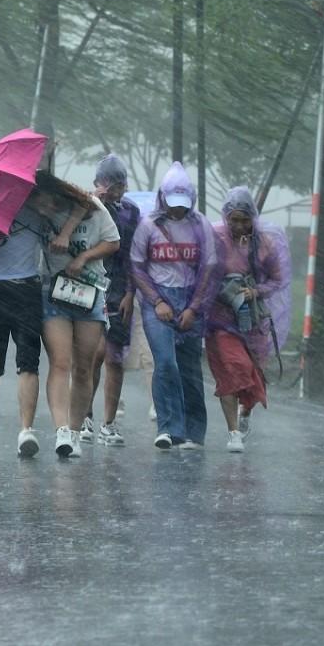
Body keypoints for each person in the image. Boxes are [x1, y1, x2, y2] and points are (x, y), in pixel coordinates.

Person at [130, 162, 219, 450]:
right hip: (158, 300)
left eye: (183, 204)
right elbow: (137, 266)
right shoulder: (148, 226)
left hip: (191, 297)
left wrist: (194, 308)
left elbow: (208, 267)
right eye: (172, 203)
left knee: (190, 367)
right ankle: (169, 428)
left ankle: (195, 431)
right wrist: (156, 301)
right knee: (165, 362)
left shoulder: (200, 225)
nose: (177, 209)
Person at [35, 172, 120, 459]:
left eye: (46, 203)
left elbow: (113, 241)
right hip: (54, 293)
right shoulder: (37, 217)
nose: (43, 210)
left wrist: (84, 257)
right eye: (38, 205)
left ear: (57, 195)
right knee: (60, 362)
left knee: (84, 367)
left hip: (89, 293)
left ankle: (74, 428)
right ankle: (61, 430)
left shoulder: (94, 209)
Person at [0, 195, 63, 457]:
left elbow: (56, 235)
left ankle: (27, 429)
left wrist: (46, 212)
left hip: (26, 286)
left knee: (28, 360)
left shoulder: (37, 204)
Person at [209, 186, 292, 453]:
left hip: (253, 320)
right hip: (220, 319)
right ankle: (233, 432)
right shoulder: (213, 238)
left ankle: (245, 413)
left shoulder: (264, 244)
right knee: (232, 368)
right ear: (226, 216)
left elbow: (278, 279)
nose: (239, 225)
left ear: (253, 219)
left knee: (253, 373)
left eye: (245, 220)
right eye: (234, 219)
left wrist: (254, 290)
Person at [84, 154, 142, 447]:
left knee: (114, 357)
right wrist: (92, 201)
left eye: (120, 185)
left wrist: (132, 292)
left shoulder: (131, 212)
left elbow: (134, 255)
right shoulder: (85, 205)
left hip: (120, 289)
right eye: (110, 185)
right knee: (91, 355)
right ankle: (84, 416)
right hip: (88, 285)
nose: (116, 192)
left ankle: (109, 422)